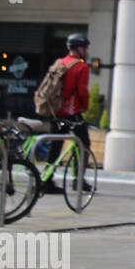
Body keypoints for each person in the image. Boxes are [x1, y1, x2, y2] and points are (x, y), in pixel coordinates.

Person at [42, 34, 94, 194]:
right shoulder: (81, 67)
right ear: (79, 48)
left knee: (55, 145)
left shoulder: (61, 62)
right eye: (85, 48)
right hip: (72, 113)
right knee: (83, 144)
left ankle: (47, 179)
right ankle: (78, 180)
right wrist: (85, 106)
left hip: (55, 111)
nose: (87, 51)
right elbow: (82, 91)